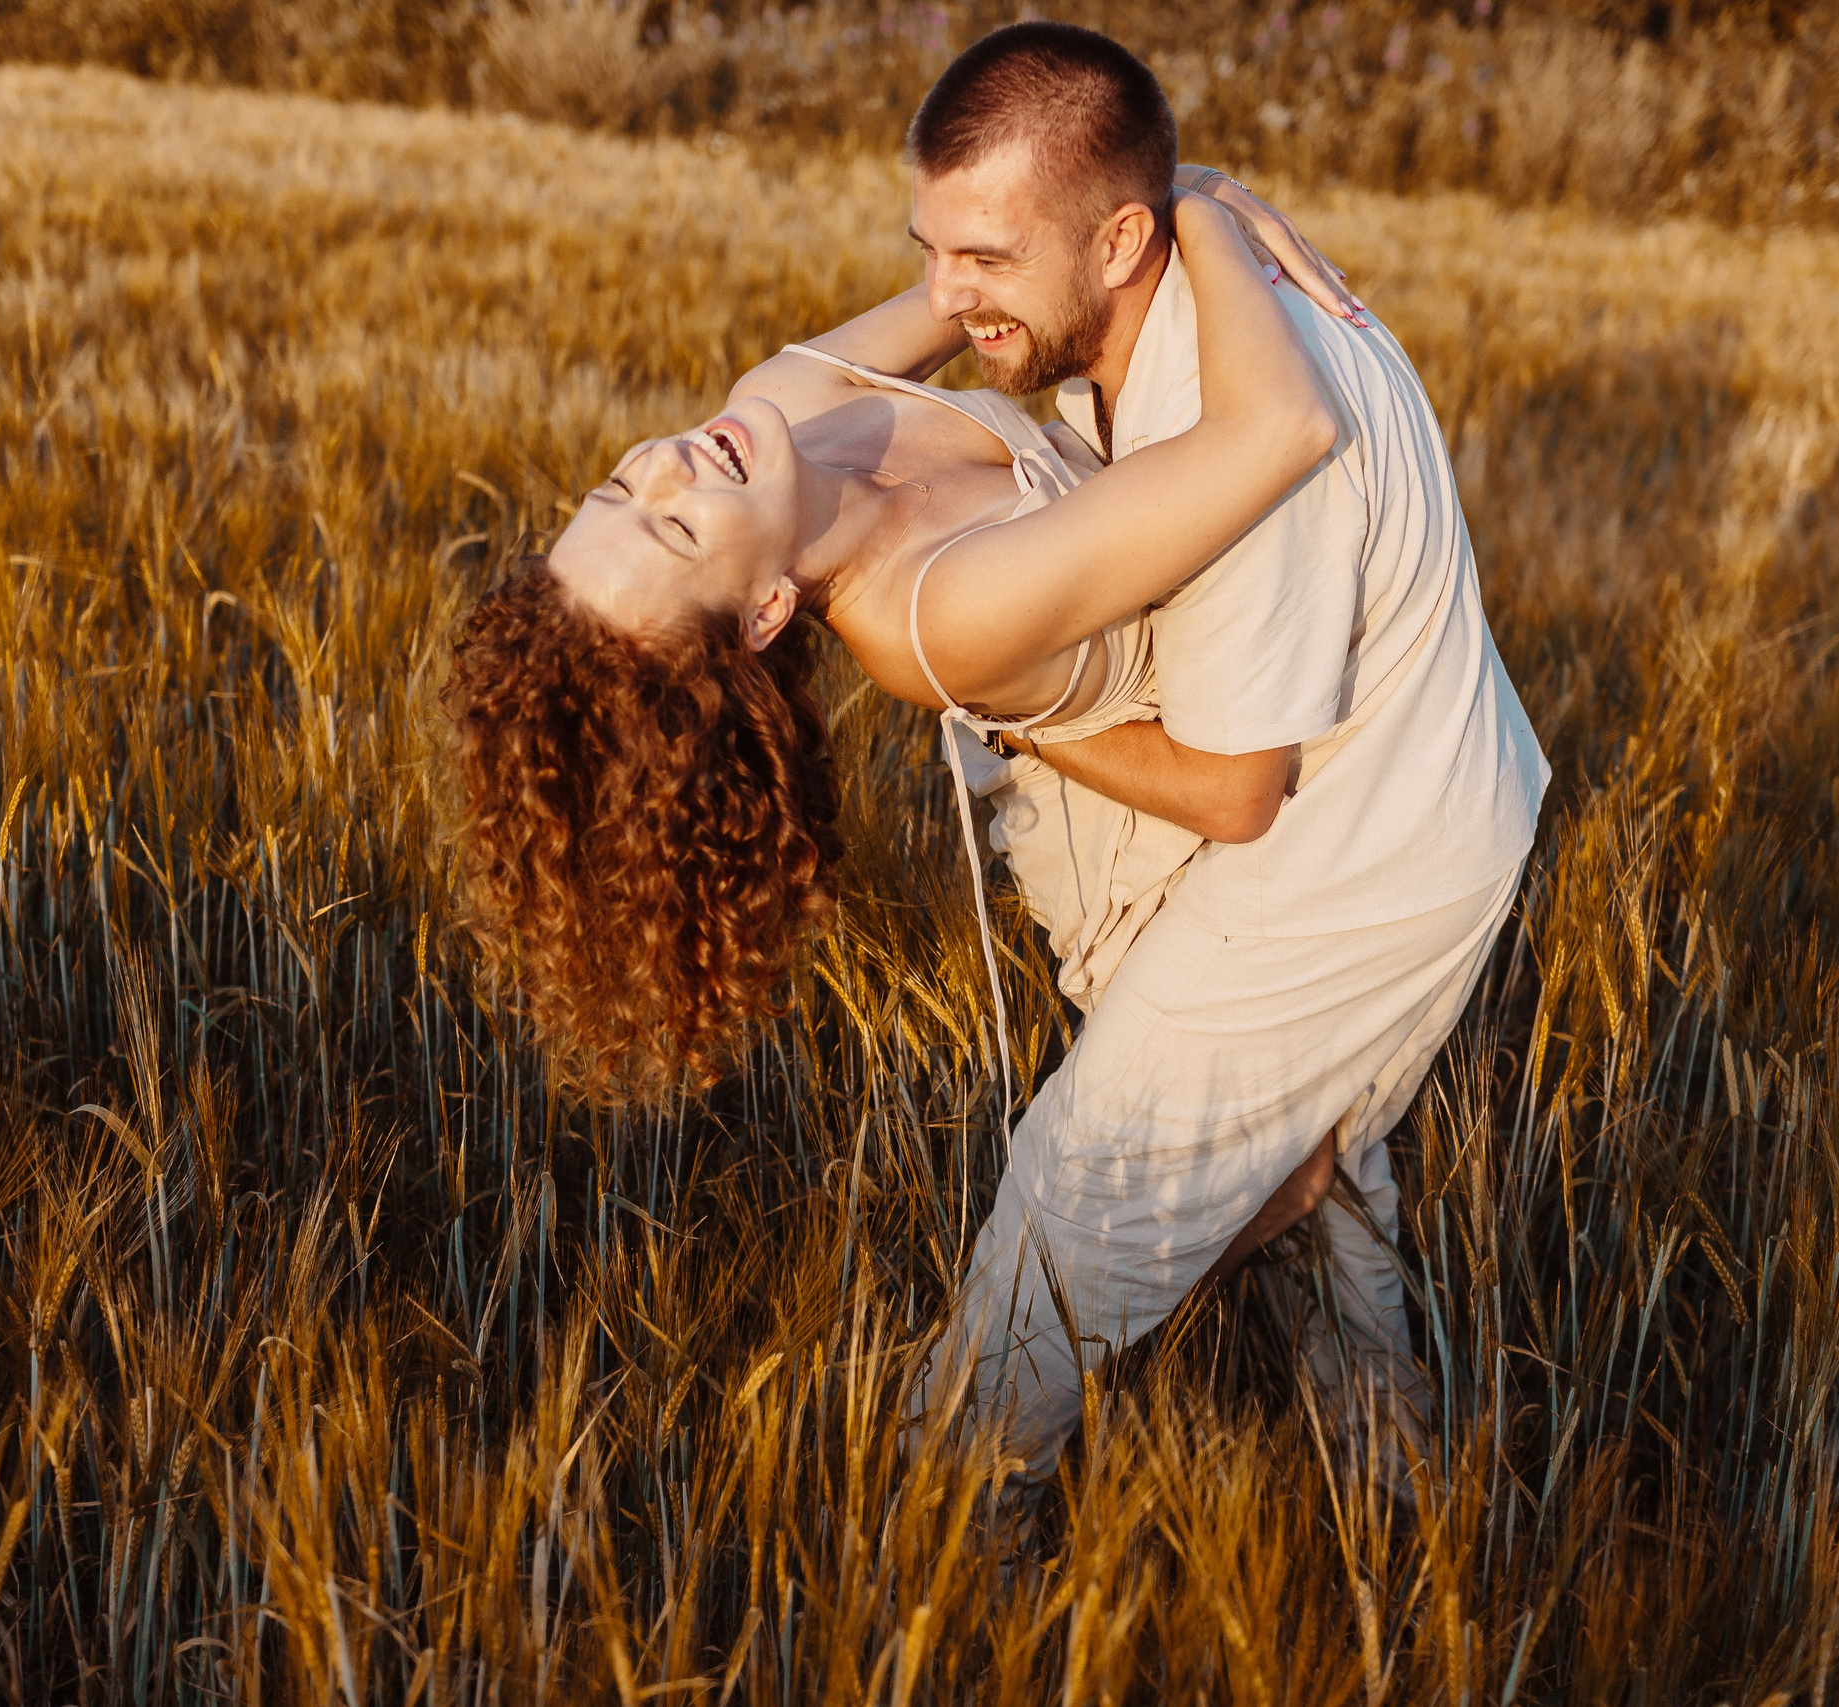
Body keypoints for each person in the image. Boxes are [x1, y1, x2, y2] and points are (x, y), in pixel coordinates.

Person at [898, 23, 1553, 1488]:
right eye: (932, 250)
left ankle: (949, 1538)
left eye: (984, 259)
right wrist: (1199, 197)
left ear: (1117, 237)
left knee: (1079, 1201)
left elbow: (1233, 789)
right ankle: (1395, 1498)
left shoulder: (1227, 417)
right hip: (1419, 795)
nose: (944, 301)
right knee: (1321, 1197)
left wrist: (1007, 702)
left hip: (1362, 851)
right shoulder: (1160, 282)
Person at [447, 179, 1342, 1107]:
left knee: (1321, 1180)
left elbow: (985, 285)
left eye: (619, 488)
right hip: (1150, 875)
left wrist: (1140, 188)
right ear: (762, 612)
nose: (668, 466)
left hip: (1258, 730)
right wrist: (1201, 210)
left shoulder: (779, 399)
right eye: (675, 531)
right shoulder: (939, 616)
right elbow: (1237, 788)